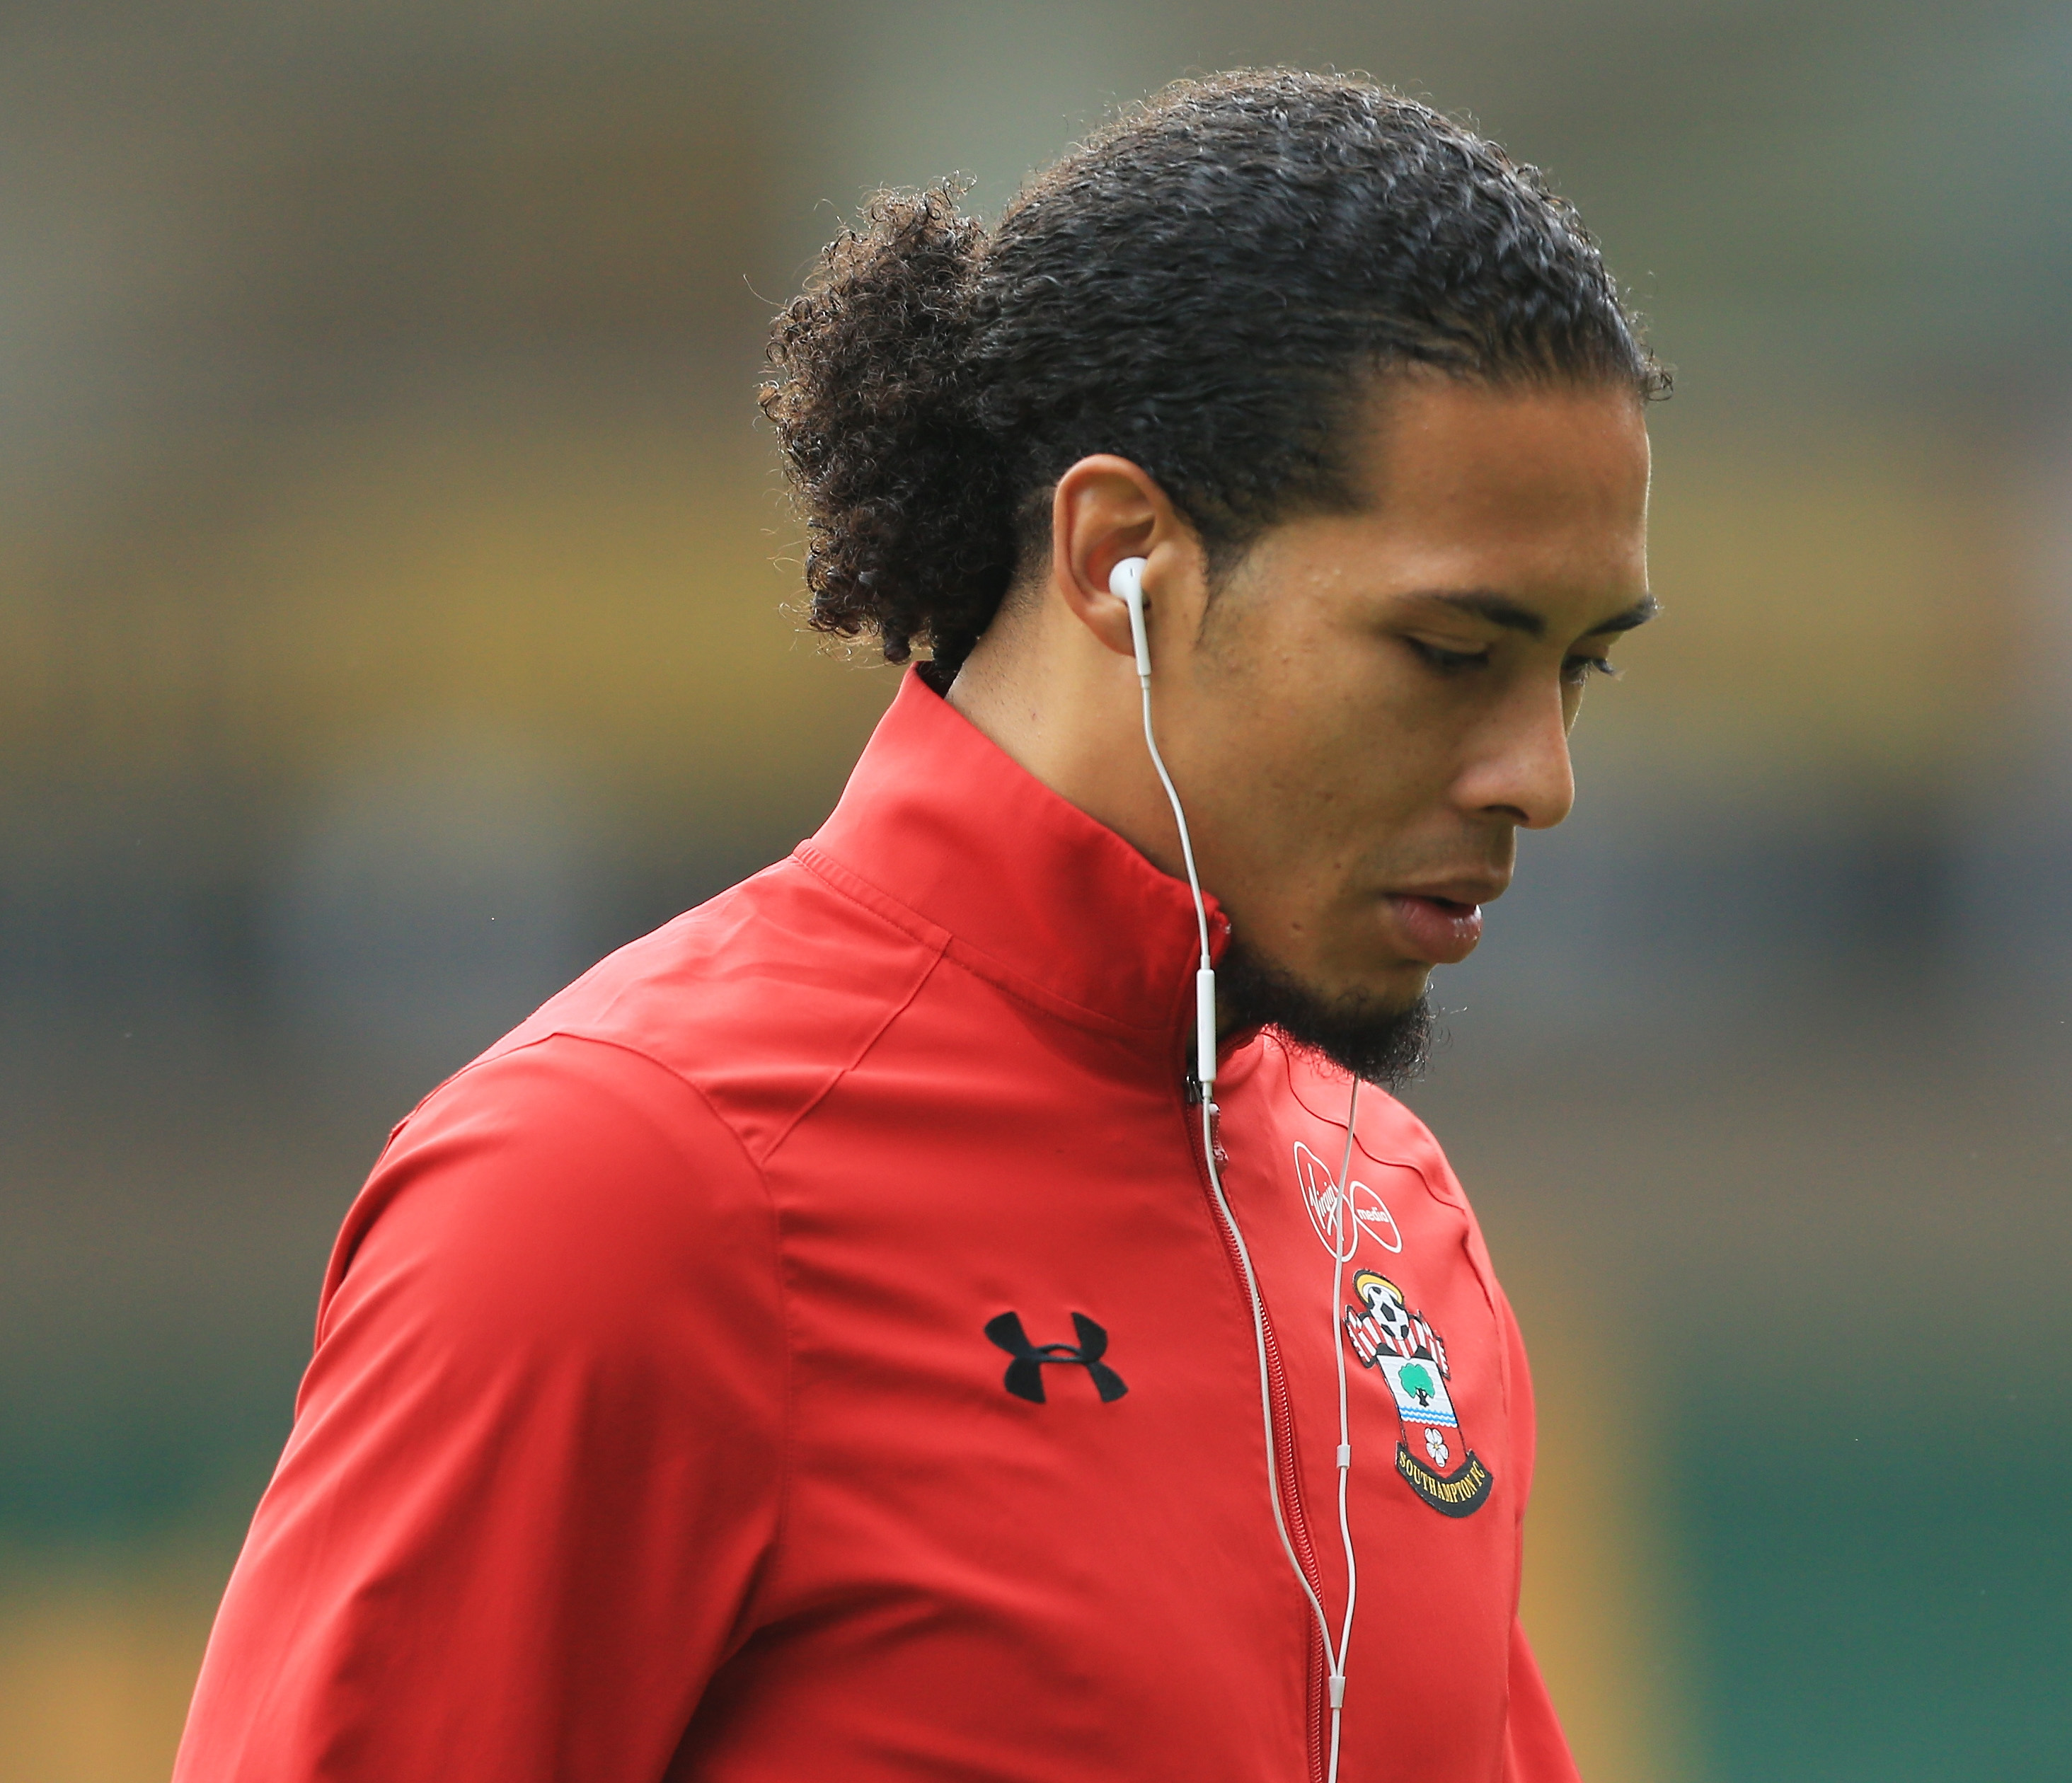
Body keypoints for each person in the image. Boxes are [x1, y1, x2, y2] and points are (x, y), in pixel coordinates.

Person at [175, 67, 1662, 1783]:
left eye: (1580, 665)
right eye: (1453, 654)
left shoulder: (1389, 1211)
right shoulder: (620, 1182)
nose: (1538, 777)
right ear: (1122, 557)